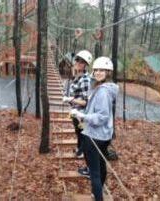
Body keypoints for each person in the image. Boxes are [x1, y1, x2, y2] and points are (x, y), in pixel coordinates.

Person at [70, 56, 119, 201]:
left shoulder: (103, 91)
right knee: (101, 164)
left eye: (102, 70)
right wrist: (81, 114)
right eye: (96, 69)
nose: (98, 72)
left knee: (94, 172)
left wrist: (82, 116)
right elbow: (96, 111)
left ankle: (97, 196)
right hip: (103, 136)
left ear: (108, 72)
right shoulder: (105, 88)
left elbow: (101, 117)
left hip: (94, 136)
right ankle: (99, 191)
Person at [62, 50, 93, 160]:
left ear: (86, 65)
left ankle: (82, 151)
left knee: (83, 131)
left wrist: (71, 99)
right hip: (74, 112)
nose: (78, 63)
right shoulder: (77, 77)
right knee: (78, 130)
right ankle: (79, 148)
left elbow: (85, 101)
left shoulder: (85, 79)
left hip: (81, 113)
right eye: (77, 60)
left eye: (81, 62)